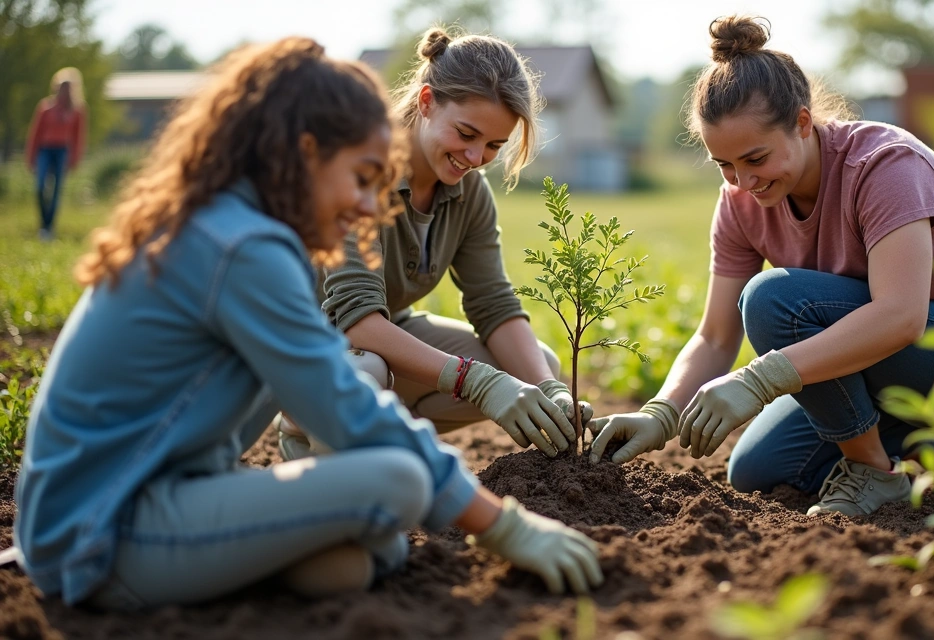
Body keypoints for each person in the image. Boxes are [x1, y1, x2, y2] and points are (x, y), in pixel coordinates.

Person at [13, 38, 601, 611]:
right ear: (306, 153)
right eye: (361, 177)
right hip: (100, 528)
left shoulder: (245, 226)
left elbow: (487, 305)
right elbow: (346, 403)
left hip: (163, 492)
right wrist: (502, 527)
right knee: (396, 480)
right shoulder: (243, 248)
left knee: (345, 566)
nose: (372, 208)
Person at [588, 16, 934, 517]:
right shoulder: (739, 201)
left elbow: (901, 315)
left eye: (755, 159)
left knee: (773, 300)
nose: (743, 181)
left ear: (803, 123)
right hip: (879, 357)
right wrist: (661, 413)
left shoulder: (884, 165)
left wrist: (758, 380)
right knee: (759, 469)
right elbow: (716, 337)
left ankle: (874, 471)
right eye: (725, 165)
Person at [278, 27, 590, 463]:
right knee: (363, 373)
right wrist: (475, 382)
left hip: (381, 339)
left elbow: (493, 303)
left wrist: (548, 389)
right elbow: (357, 320)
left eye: (494, 145)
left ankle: (380, 433)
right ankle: (305, 435)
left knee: (534, 364)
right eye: (466, 133)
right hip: (299, 345)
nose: (477, 157)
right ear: (427, 102)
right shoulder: (359, 171)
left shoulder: (470, 192)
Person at [25, 67, 88, 241]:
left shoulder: (77, 111)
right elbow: (35, 134)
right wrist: (30, 157)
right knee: (40, 187)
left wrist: (75, 159)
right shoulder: (46, 107)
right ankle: (43, 223)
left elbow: (78, 138)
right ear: (56, 87)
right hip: (45, 150)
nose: (64, 91)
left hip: (62, 152)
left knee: (56, 191)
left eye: (68, 88)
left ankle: (49, 228)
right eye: (62, 87)